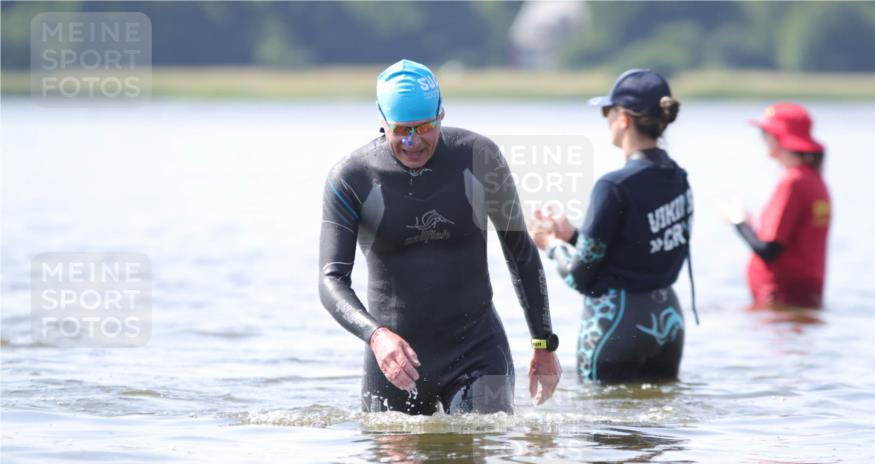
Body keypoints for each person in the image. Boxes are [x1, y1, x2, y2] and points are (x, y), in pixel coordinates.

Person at [319, 59, 561, 415]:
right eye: (401, 129)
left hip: (478, 353)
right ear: (382, 121)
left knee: (479, 453)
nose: (412, 142)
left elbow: (519, 249)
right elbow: (331, 280)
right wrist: (376, 336)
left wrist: (543, 342)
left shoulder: (480, 157)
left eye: (424, 127)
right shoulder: (352, 177)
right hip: (394, 362)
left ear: (441, 115)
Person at [529, 69, 695, 383]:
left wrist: (550, 244)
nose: (605, 119)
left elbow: (579, 277)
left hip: (616, 323)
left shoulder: (613, 186)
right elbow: (640, 251)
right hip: (669, 320)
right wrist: (573, 235)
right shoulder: (679, 178)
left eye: (607, 111)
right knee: (660, 428)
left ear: (624, 118)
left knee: (601, 424)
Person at [722, 103, 832, 309]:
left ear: (778, 139)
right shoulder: (816, 180)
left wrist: (738, 221)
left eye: (764, 133)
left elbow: (769, 249)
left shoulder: (793, 182)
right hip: (803, 296)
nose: (763, 140)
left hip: (780, 299)